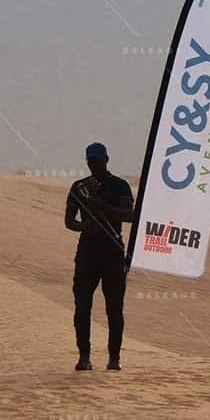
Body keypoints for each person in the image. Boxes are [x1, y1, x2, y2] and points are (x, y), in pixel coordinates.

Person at [65, 142, 133, 371]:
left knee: (114, 308)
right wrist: (85, 226)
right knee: (82, 307)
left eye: (98, 160)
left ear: (106, 160)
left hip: (113, 253)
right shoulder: (79, 187)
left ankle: (114, 358)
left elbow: (130, 215)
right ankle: (84, 357)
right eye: (91, 161)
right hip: (87, 254)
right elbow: (69, 221)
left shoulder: (120, 185)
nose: (94, 164)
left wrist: (102, 206)